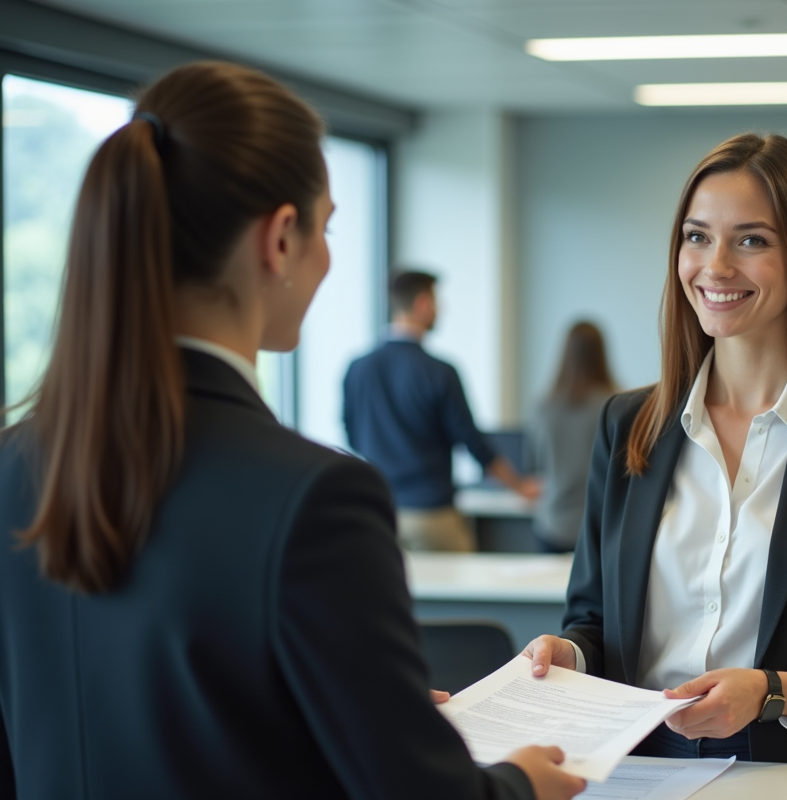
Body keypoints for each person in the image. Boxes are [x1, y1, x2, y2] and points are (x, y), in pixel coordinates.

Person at [0, 61, 584, 800]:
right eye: (326, 226)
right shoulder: (315, 496)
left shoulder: (16, 463)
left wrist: (368, 711)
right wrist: (521, 783)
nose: (328, 256)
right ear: (279, 239)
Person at [525, 132, 787, 765]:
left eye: (751, 241)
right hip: (638, 766)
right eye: (697, 236)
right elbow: (593, 620)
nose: (716, 265)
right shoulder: (628, 423)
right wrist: (571, 654)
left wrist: (775, 693)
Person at [343, 271, 540, 552]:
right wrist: (519, 486)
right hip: (431, 516)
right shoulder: (438, 372)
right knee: (460, 578)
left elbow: (353, 436)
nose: (440, 309)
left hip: (381, 515)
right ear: (422, 304)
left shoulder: (357, 368)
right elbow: (473, 442)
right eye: (437, 302)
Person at [525, 321, 618, 553]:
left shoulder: (542, 407)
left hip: (552, 526)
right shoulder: (617, 406)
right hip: (601, 527)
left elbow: (534, 467)